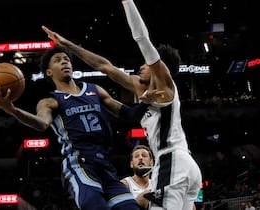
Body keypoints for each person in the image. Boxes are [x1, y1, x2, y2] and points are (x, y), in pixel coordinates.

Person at [41, 0, 202, 209]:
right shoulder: (140, 88)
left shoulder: (164, 85)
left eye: (146, 63)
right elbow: (104, 66)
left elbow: (141, 38)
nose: (141, 66)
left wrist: (127, 2)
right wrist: (68, 44)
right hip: (186, 165)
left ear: (159, 67)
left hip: (171, 161)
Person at [0, 45, 163, 210]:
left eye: (67, 59)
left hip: (106, 166)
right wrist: (12, 110)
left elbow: (128, 115)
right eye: (58, 60)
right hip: (79, 164)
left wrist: (145, 102)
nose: (64, 62)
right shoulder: (50, 101)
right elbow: (41, 124)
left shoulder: (95, 90)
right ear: (49, 72)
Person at [120, 144, 154, 210]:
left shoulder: (156, 183)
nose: (140, 158)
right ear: (131, 164)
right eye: (136, 156)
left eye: (144, 155)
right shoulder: (125, 184)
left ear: (151, 162)